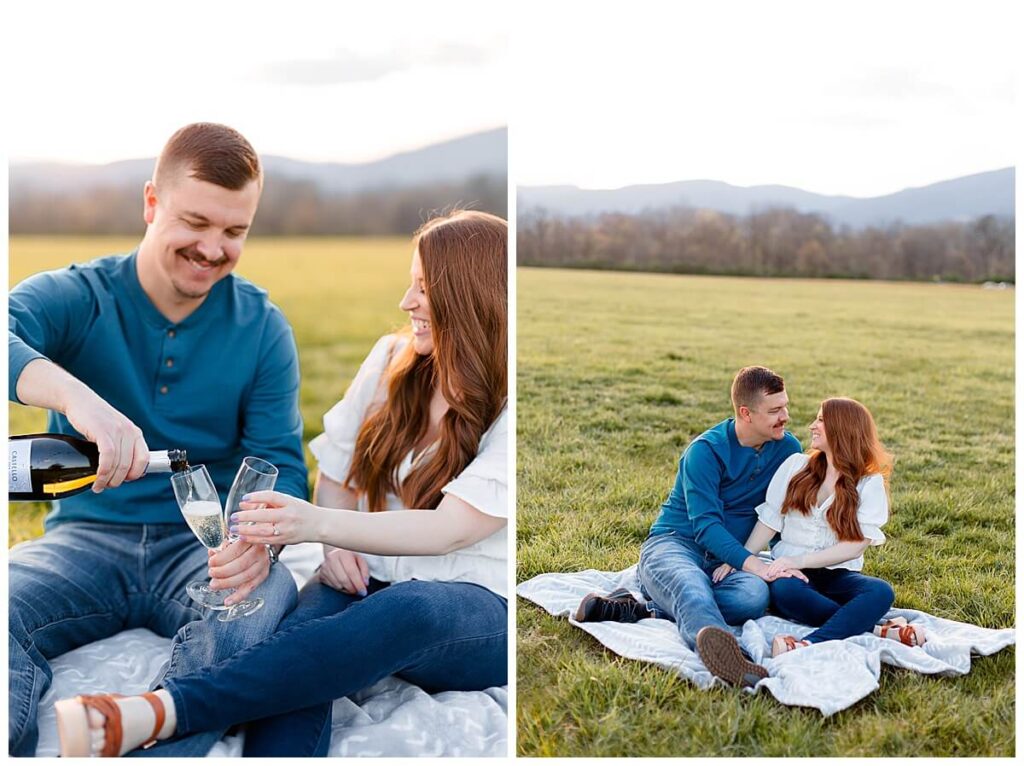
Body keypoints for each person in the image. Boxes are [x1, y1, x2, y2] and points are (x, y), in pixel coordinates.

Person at [53, 209, 509, 758]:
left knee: (413, 608)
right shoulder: (393, 360)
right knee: (297, 665)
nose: (406, 302)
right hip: (363, 575)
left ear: (472, 297)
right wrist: (337, 543)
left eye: (424, 287)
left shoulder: (513, 405)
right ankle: (161, 746)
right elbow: (337, 472)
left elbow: (452, 530)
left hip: (475, 605)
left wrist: (317, 524)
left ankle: (162, 710)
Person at [8, 123, 308, 757]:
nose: (212, 248)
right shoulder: (80, 296)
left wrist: (257, 542)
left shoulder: (262, 328)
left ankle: (158, 744)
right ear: (151, 204)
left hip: (201, 547)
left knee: (268, 603)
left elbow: (280, 461)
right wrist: (74, 396)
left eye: (235, 231)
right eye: (195, 222)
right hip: (83, 541)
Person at [575, 366, 806, 687]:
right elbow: (705, 527)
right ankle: (729, 653)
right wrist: (753, 563)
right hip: (676, 543)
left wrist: (789, 562)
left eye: (785, 406)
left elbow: (785, 516)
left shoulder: (788, 451)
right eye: (775, 410)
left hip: (726, 561)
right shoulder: (705, 452)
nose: (786, 416)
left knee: (752, 596)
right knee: (692, 584)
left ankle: (640, 608)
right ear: (746, 413)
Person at [718, 397, 925, 656]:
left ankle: (809, 644)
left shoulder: (867, 482)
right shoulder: (796, 466)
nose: (812, 426)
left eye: (820, 420)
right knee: (786, 592)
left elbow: (855, 546)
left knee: (881, 592)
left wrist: (800, 560)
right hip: (791, 576)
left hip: (836, 573)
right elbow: (769, 522)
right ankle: (875, 630)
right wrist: (740, 558)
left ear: (842, 428)